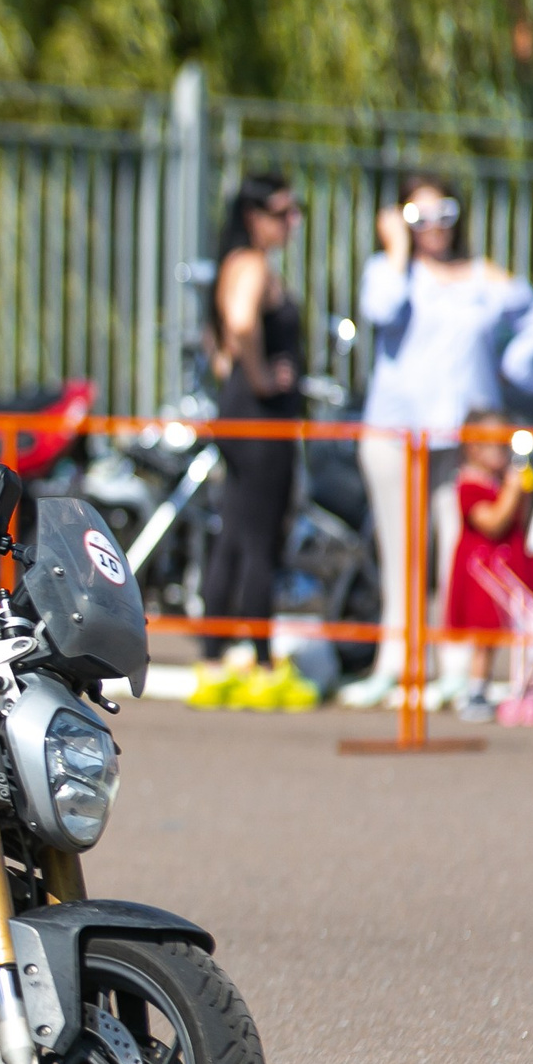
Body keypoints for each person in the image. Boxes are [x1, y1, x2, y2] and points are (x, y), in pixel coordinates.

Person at [348, 173, 533, 709]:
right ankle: (395, 664)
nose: (434, 227)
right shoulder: (388, 271)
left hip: (466, 442)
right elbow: (381, 310)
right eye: (418, 217)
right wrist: (396, 247)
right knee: (402, 558)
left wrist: (513, 366)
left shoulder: (484, 276)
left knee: (465, 559)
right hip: (396, 433)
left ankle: (459, 671)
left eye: (443, 212)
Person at [191, 174, 317, 712]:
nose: (292, 222)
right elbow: (240, 324)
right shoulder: (252, 265)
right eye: (283, 212)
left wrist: (236, 371)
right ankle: (261, 660)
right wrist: (262, 376)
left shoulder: (233, 264)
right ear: (253, 215)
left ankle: (216, 655)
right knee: (259, 536)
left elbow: (219, 339)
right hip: (259, 415)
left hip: (241, 408)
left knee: (236, 532)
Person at [443, 412, 533, 721]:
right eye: (494, 444)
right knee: (485, 637)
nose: (501, 451)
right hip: (482, 571)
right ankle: (476, 688)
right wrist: (512, 490)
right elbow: (493, 522)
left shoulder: (502, 479)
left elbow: (517, 520)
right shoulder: (469, 485)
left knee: (525, 630)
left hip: (511, 564)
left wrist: (521, 490)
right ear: (472, 447)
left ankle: (528, 686)